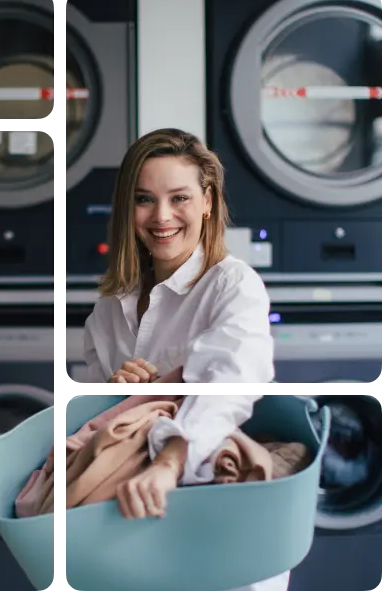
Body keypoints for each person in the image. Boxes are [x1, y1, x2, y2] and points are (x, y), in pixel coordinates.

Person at [80, 129, 289, 590]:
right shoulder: (109, 308)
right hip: (128, 528)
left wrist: (168, 464)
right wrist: (119, 398)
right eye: (144, 200)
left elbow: (228, 386)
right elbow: (88, 421)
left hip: (215, 522)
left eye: (180, 198)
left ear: (208, 201)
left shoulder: (232, 286)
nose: (162, 217)